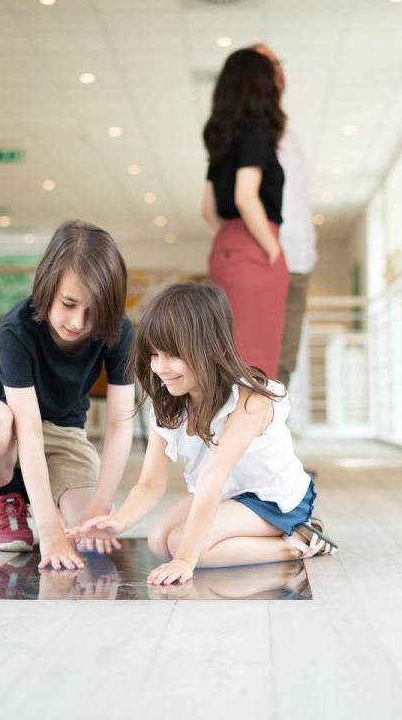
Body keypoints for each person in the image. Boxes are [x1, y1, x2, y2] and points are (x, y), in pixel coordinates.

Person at [66, 282, 337, 586]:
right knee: (158, 541)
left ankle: (294, 543)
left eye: (172, 355)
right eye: (154, 355)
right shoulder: (169, 405)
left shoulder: (249, 401)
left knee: (188, 548)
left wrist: (185, 560)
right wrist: (119, 520)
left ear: (214, 349)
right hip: (228, 495)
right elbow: (149, 483)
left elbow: (213, 477)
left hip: (272, 499)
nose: (160, 367)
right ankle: (268, 541)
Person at [0, 219, 135, 571]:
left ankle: (35, 493)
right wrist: (49, 529)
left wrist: (100, 504)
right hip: (6, 424)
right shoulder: (16, 328)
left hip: (65, 432)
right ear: (48, 285)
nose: (78, 322)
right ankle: (5, 492)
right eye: (68, 303)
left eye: (93, 311)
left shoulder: (120, 331)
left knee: (87, 528)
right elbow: (28, 429)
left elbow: (120, 425)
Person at [201, 48, 289, 379]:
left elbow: (207, 210)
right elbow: (245, 196)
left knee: (226, 362)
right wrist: (272, 249)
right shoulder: (257, 130)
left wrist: (232, 237)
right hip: (256, 248)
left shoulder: (221, 138)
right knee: (257, 366)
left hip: (224, 250)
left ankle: (224, 430)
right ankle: (248, 432)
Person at [253, 43, 317, 387]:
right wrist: (270, 249)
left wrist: (309, 249)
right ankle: (252, 435)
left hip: (300, 259)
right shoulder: (248, 130)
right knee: (260, 358)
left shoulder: (290, 133)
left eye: (279, 66)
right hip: (268, 254)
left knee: (287, 358)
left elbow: (298, 199)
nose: (279, 74)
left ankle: (273, 436)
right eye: (269, 68)